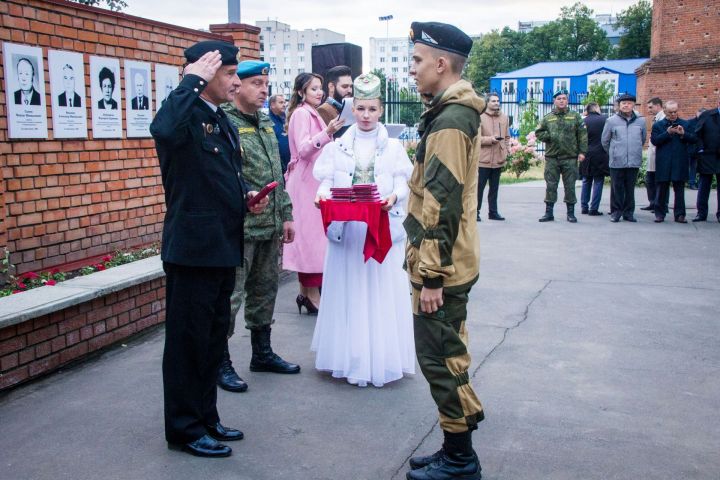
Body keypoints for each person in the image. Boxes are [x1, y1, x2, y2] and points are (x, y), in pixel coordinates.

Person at [149, 40, 268, 458]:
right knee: (188, 343)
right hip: (193, 251)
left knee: (212, 339)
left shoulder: (219, 120)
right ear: (205, 74)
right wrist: (191, 79)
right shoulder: (182, 116)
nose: (236, 83)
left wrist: (247, 195)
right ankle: (184, 428)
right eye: (229, 75)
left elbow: (219, 176)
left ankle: (206, 416)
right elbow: (162, 130)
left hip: (222, 245)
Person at [404, 21, 485, 480]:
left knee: (441, 359)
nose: (412, 70)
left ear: (441, 63)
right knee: (445, 353)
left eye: (417, 61)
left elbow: (440, 201)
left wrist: (431, 275)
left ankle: (460, 460)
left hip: (442, 266)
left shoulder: (452, 119)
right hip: (448, 259)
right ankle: (453, 446)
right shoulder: (448, 111)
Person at [311, 72, 415, 388]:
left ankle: (381, 358)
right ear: (352, 110)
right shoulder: (337, 146)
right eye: (361, 109)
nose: (366, 116)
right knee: (349, 291)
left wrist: (393, 197)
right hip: (349, 232)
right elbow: (326, 182)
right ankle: (349, 357)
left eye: (372, 109)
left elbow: (403, 181)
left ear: (381, 110)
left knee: (381, 292)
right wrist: (322, 197)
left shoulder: (395, 146)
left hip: (382, 230)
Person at [217, 60, 301, 394]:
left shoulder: (266, 121)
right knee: (231, 296)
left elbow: (277, 174)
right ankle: (219, 361)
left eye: (266, 84)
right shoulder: (226, 122)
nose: (264, 90)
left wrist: (287, 214)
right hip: (241, 226)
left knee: (265, 290)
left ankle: (261, 353)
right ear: (238, 86)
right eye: (256, 83)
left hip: (270, 223)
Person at [282, 73, 345, 313]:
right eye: (313, 89)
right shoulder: (301, 114)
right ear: (301, 92)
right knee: (308, 240)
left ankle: (307, 294)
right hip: (305, 182)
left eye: (320, 88)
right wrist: (327, 132)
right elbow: (305, 148)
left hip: (311, 181)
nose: (319, 93)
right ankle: (309, 295)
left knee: (312, 239)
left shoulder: (310, 112)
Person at [535, 89, 587, 223]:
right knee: (551, 185)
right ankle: (549, 213)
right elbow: (539, 132)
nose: (561, 101)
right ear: (554, 101)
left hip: (570, 158)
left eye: (564, 98)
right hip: (552, 158)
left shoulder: (575, 116)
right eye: (559, 99)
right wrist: (550, 137)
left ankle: (571, 213)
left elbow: (582, 135)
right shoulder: (548, 117)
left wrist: (582, 152)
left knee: (570, 186)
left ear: (567, 100)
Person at [601, 93, 646, 223]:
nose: (626, 105)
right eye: (623, 103)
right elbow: (605, 141)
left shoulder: (641, 121)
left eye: (629, 103)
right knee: (617, 188)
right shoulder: (611, 121)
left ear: (633, 105)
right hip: (616, 160)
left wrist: (634, 150)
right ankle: (616, 212)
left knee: (630, 188)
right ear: (619, 105)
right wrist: (614, 152)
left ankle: (629, 213)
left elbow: (642, 139)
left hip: (633, 160)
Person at [650, 101, 697, 223]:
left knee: (679, 189)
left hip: (679, 161)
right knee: (662, 189)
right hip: (663, 161)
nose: (673, 114)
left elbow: (694, 139)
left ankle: (680, 215)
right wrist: (668, 133)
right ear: (665, 111)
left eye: (675, 111)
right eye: (671, 112)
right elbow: (655, 141)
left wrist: (683, 134)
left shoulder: (685, 124)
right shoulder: (658, 125)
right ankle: (660, 214)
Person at [477, 92, 508, 221]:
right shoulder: (480, 117)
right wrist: (490, 139)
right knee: (479, 188)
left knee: (494, 188)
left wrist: (506, 150)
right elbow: (475, 138)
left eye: (498, 101)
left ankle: (493, 212)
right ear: (487, 103)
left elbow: (507, 137)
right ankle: (475, 212)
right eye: (493, 101)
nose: (496, 103)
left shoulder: (504, 117)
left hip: (498, 158)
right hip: (483, 159)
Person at [693, 95, 720, 222]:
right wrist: (701, 149)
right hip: (708, 155)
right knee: (704, 186)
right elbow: (697, 134)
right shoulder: (707, 115)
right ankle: (701, 213)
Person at [579, 102, 609, 216]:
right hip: (600, 154)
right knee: (598, 181)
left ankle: (584, 207)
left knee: (586, 181)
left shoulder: (583, 121)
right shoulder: (605, 120)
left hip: (586, 154)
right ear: (596, 108)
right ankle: (594, 208)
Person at [316, 65, 353, 139]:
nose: (349, 91)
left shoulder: (349, 108)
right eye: (345, 86)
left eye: (351, 86)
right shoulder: (322, 110)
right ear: (331, 86)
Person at [641, 97, 664, 211]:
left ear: (658, 106)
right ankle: (653, 202)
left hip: (658, 155)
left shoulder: (662, 118)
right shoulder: (656, 118)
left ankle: (659, 204)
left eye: (651, 107)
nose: (649, 110)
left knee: (657, 182)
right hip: (653, 155)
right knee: (650, 180)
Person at [268, 94, 291, 172]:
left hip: (289, 163)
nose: (284, 105)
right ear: (273, 105)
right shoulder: (267, 122)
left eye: (284, 102)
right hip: (278, 167)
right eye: (281, 103)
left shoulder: (286, 120)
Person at [686, 108, 705, 190]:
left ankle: (694, 182)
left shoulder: (705, 122)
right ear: (697, 113)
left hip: (701, 148)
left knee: (698, 167)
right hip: (690, 148)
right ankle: (691, 182)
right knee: (691, 166)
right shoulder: (690, 122)